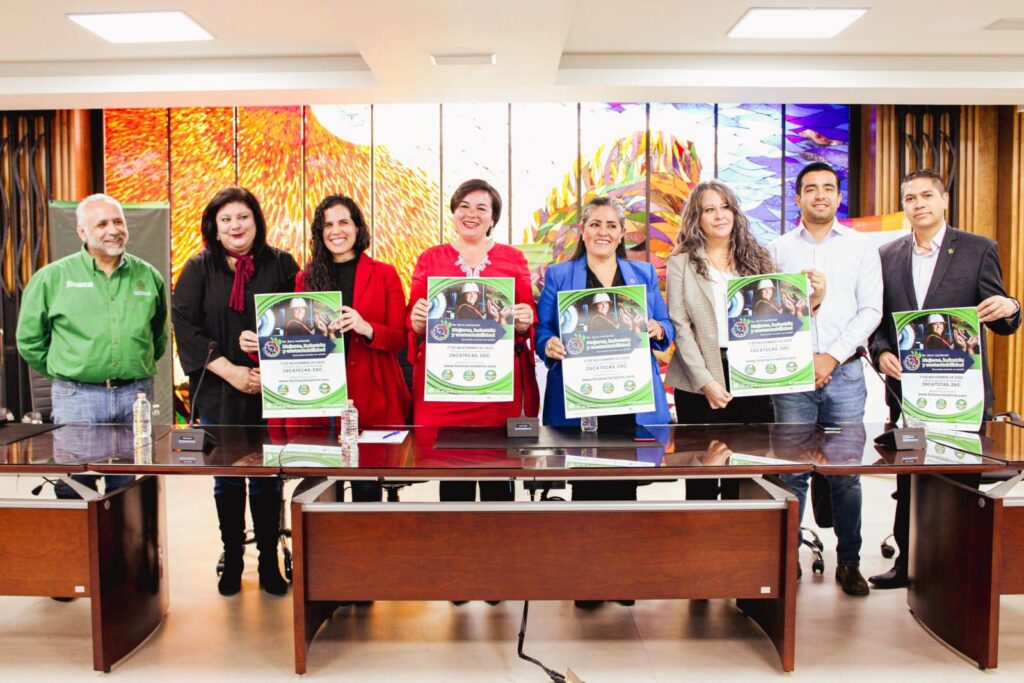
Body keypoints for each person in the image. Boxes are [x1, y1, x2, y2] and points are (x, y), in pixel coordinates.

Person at [868, 168, 1021, 589]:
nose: (918, 204)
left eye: (926, 196)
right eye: (910, 198)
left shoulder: (977, 249)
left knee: (959, 481)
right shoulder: (886, 255)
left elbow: (1001, 316)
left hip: (962, 394)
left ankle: (958, 570)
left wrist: (1011, 307)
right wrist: (881, 351)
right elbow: (879, 321)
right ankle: (906, 564)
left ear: (944, 200)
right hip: (909, 393)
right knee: (909, 479)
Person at [172, 186, 300, 597]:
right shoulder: (197, 268)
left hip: (271, 389)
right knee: (227, 480)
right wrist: (230, 371)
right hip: (218, 391)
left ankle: (268, 559)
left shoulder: (281, 264)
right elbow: (186, 327)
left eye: (243, 217)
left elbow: (300, 321)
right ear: (214, 225)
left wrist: (269, 366)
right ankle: (232, 557)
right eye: (226, 219)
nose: (235, 226)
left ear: (256, 221)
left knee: (266, 479)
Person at [241, 194, 411, 500]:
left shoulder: (385, 274)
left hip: (371, 394)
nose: (337, 230)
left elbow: (400, 337)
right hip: (320, 398)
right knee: (322, 484)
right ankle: (331, 548)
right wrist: (258, 345)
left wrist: (366, 327)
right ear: (320, 233)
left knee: (366, 484)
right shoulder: (306, 278)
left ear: (358, 228)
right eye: (328, 224)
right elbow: (293, 339)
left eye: (344, 222)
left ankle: (365, 548)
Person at [665, 180, 825, 499]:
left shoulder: (757, 259)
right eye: (709, 209)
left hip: (751, 375)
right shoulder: (680, 262)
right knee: (702, 474)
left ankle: (741, 547)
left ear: (735, 213)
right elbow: (680, 326)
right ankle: (701, 546)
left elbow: (780, 319)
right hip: (699, 378)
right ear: (696, 218)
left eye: (725, 207)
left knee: (747, 470)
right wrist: (706, 381)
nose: (719, 215)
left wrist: (816, 298)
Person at [769, 161, 882, 597]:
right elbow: (770, 313)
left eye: (828, 188)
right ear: (796, 198)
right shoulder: (778, 249)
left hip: (846, 374)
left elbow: (870, 309)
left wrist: (830, 357)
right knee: (791, 474)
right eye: (810, 189)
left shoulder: (860, 247)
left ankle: (850, 562)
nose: (820, 195)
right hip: (792, 377)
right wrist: (804, 360)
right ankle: (786, 558)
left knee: (845, 473)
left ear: (839, 197)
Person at [17, 193, 166, 500]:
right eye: (102, 224)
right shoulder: (52, 278)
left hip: (134, 396)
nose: (113, 230)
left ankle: (125, 548)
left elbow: (159, 336)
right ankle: (79, 549)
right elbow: (29, 340)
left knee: (128, 486)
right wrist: (68, 369)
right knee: (75, 484)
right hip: (78, 397)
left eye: (118, 221)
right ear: (82, 232)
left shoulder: (148, 276)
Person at [407, 178, 540, 504]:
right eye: (464, 206)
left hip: (498, 389)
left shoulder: (513, 259)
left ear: (493, 218)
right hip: (445, 390)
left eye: (482, 208)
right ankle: (456, 553)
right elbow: (413, 320)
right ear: (453, 212)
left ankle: (500, 552)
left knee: (499, 479)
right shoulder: (430, 259)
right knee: (453, 482)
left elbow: (527, 323)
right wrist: (418, 322)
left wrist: (524, 323)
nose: (471, 214)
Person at [537, 196, 674, 482]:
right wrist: (548, 344)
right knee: (583, 484)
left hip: (631, 396)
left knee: (627, 483)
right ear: (582, 230)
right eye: (595, 224)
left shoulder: (643, 273)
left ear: (622, 233)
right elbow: (543, 330)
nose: (603, 232)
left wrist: (658, 330)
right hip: (578, 397)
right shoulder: (559, 275)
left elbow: (665, 325)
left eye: (611, 225)